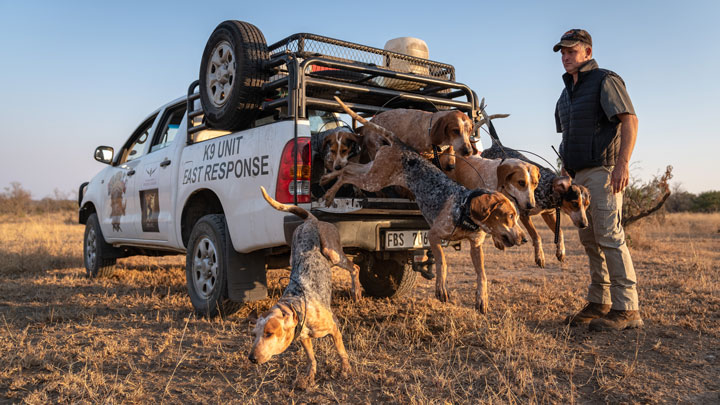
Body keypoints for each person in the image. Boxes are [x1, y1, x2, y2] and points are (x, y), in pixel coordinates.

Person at [553, 29, 642, 331]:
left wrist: (623, 165)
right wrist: (564, 174)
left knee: (610, 237)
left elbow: (629, 119)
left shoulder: (605, 80)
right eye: (562, 52)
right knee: (589, 239)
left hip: (604, 172)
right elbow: (567, 138)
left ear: (587, 53)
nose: (566, 57)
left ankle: (627, 308)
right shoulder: (565, 95)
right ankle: (599, 301)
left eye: (572, 51)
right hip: (576, 178)